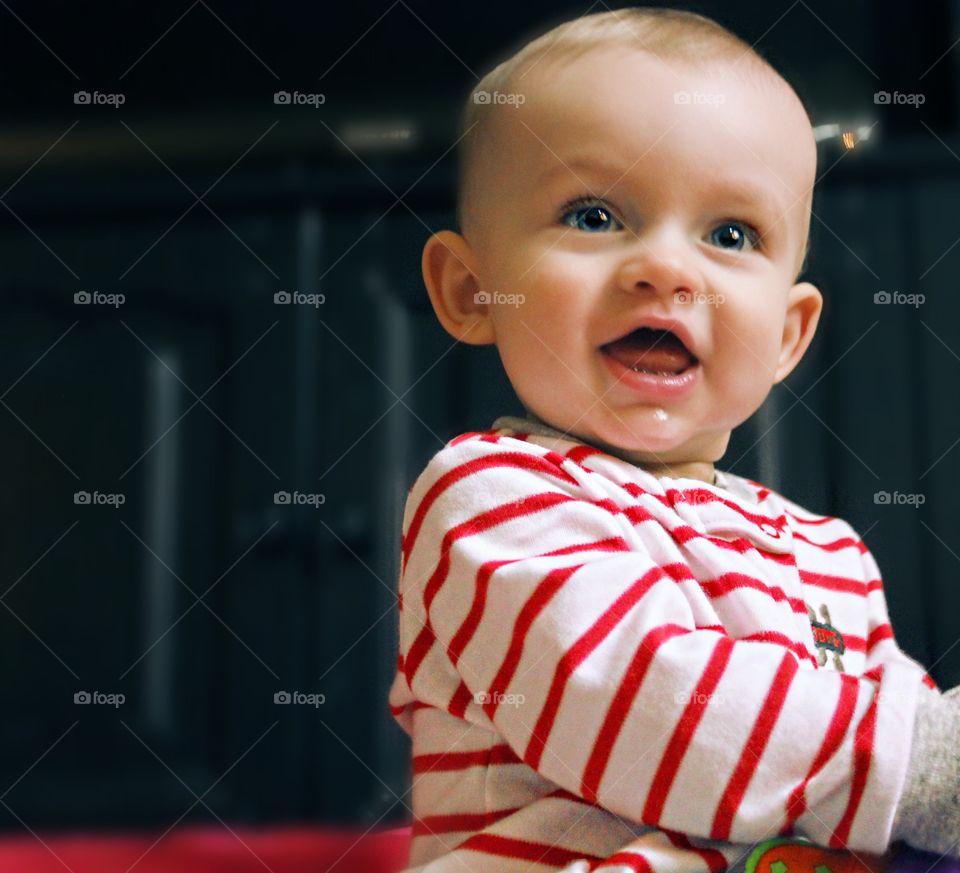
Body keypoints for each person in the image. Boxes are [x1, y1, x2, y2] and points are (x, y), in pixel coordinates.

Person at [387, 7, 960, 872]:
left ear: (787, 337)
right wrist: (923, 770)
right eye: (593, 216)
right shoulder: (487, 496)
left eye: (731, 234)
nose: (666, 267)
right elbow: (644, 703)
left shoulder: (832, 552)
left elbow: (917, 768)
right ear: (472, 290)